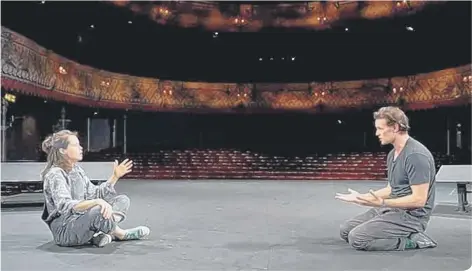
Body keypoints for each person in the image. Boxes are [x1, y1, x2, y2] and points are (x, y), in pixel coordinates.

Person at [335, 106, 437, 251]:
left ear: (395, 127)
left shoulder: (416, 156)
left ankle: (413, 241)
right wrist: (362, 197)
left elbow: (419, 200)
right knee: (345, 231)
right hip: (392, 208)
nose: (377, 133)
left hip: (411, 216)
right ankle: (393, 230)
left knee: (357, 238)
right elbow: (391, 188)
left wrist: (382, 202)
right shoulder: (393, 154)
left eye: (380, 128)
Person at [40, 129, 150, 247]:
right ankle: (119, 233)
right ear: (62, 150)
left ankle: (100, 234)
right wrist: (96, 202)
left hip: (82, 221)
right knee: (98, 210)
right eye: (76, 145)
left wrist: (115, 177)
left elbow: (95, 193)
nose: (81, 148)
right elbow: (65, 206)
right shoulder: (55, 174)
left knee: (122, 200)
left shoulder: (77, 171)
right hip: (66, 230)